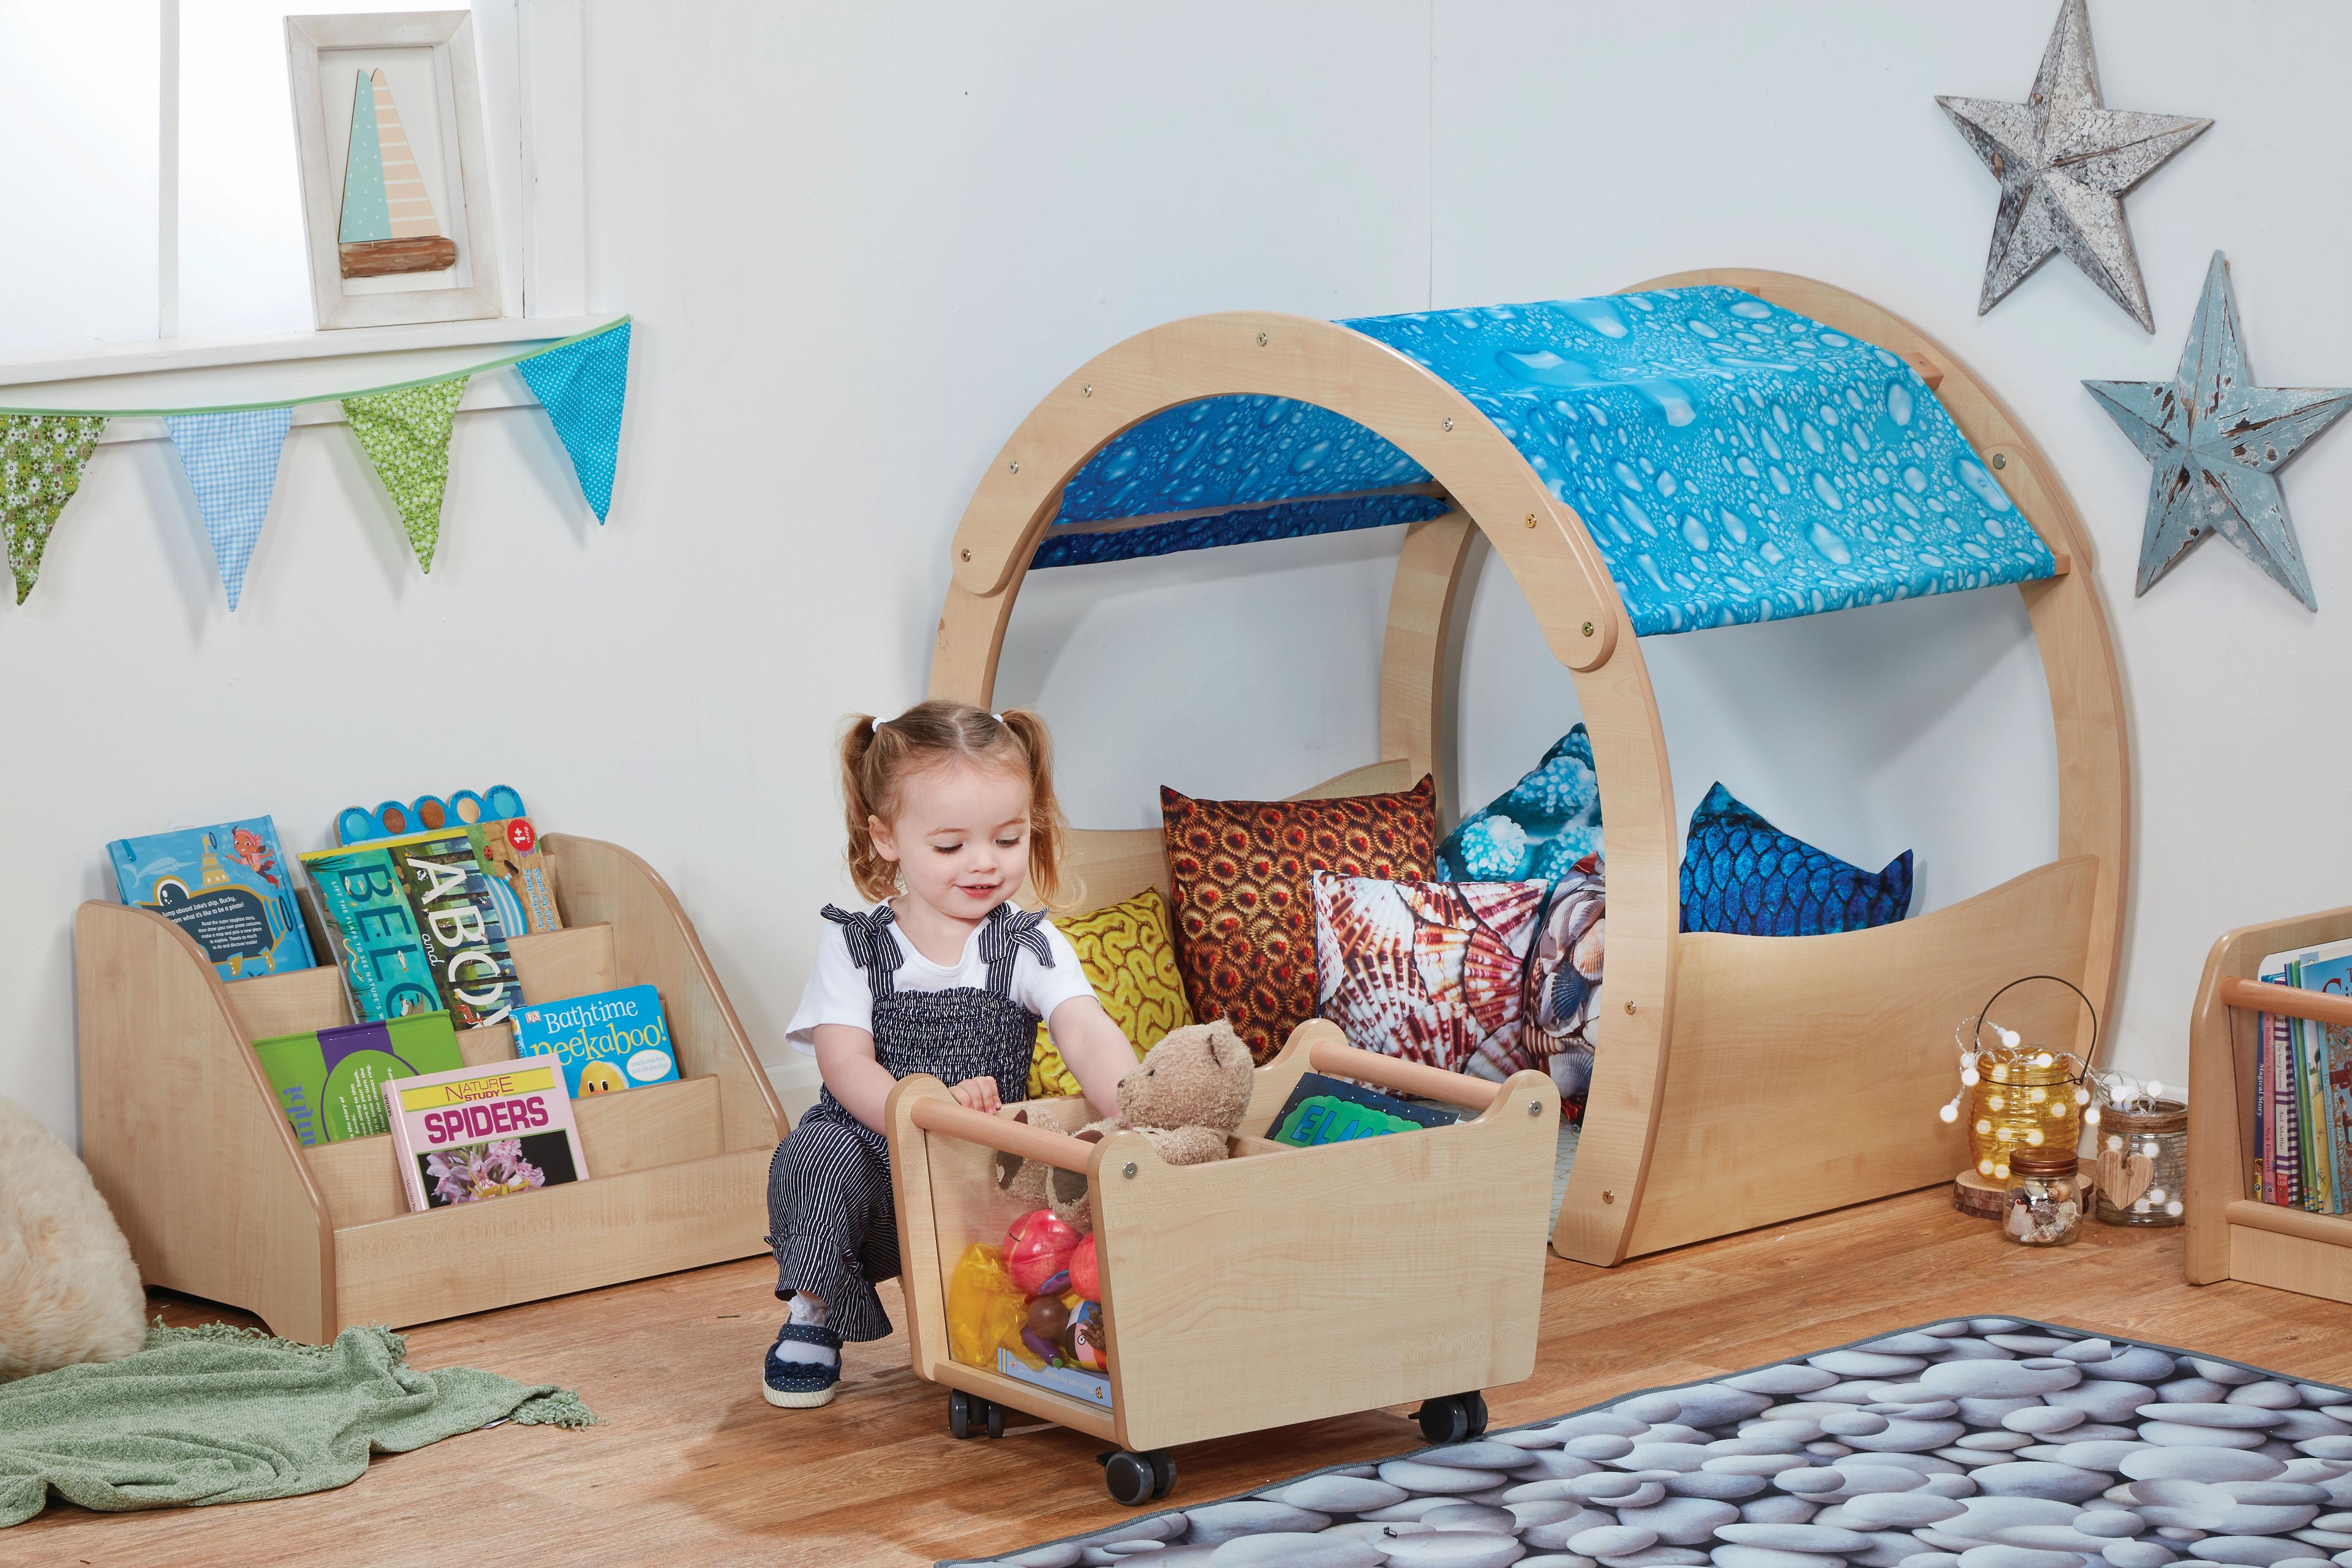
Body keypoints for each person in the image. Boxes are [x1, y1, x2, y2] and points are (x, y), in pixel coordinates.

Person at [763, 700, 1140, 1408]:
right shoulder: (856, 943)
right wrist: (922, 1110)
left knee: (1055, 1180)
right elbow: (843, 1063)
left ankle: (1020, 1318)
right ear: (887, 839)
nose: (984, 864)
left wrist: (1135, 1105)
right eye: (950, 846)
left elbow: (1084, 1028)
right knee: (810, 1159)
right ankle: (813, 1312)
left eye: (1007, 838)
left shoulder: (1027, 942)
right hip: (872, 1146)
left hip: (983, 1148)